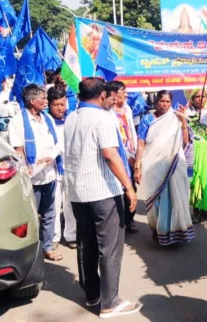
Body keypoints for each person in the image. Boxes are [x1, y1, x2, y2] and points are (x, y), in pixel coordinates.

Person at [64, 78, 141, 318]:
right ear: (102, 95)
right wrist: (129, 188)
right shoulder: (102, 118)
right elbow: (110, 155)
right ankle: (110, 302)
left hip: (78, 192)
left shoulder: (71, 117)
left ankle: (92, 294)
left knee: (87, 244)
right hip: (102, 192)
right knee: (110, 248)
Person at [8, 84, 63, 261]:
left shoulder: (47, 118)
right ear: (32, 101)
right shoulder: (17, 121)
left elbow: (58, 142)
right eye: (43, 98)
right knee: (30, 217)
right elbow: (18, 149)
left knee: (49, 213)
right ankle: (29, 253)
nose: (47, 101)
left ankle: (47, 247)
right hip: (31, 178)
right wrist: (27, 167)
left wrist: (51, 157)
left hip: (50, 174)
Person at [135, 90, 195, 245]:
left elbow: (185, 141)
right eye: (162, 101)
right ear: (156, 102)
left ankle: (176, 231)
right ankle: (158, 230)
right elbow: (141, 143)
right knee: (155, 199)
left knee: (176, 197)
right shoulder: (148, 119)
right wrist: (137, 166)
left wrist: (183, 123)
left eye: (168, 102)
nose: (165, 104)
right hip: (153, 165)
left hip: (174, 163)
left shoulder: (176, 117)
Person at [108, 81, 139, 234]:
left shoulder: (126, 109)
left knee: (131, 186)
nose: (126, 95)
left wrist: (135, 154)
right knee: (118, 189)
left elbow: (131, 130)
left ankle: (130, 219)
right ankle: (117, 221)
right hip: (117, 154)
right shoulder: (108, 112)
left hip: (130, 153)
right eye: (123, 92)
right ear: (114, 94)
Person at [48, 87, 77, 250]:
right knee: (54, 203)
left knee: (70, 203)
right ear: (49, 104)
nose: (60, 108)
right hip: (53, 168)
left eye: (62, 104)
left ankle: (72, 235)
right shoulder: (46, 121)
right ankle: (54, 237)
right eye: (56, 105)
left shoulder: (72, 119)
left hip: (71, 167)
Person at [184, 88, 207, 222]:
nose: (200, 99)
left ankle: (204, 208)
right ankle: (196, 210)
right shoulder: (187, 114)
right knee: (196, 179)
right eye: (197, 96)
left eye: (203, 96)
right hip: (194, 149)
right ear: (192, 99)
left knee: (206, 178)